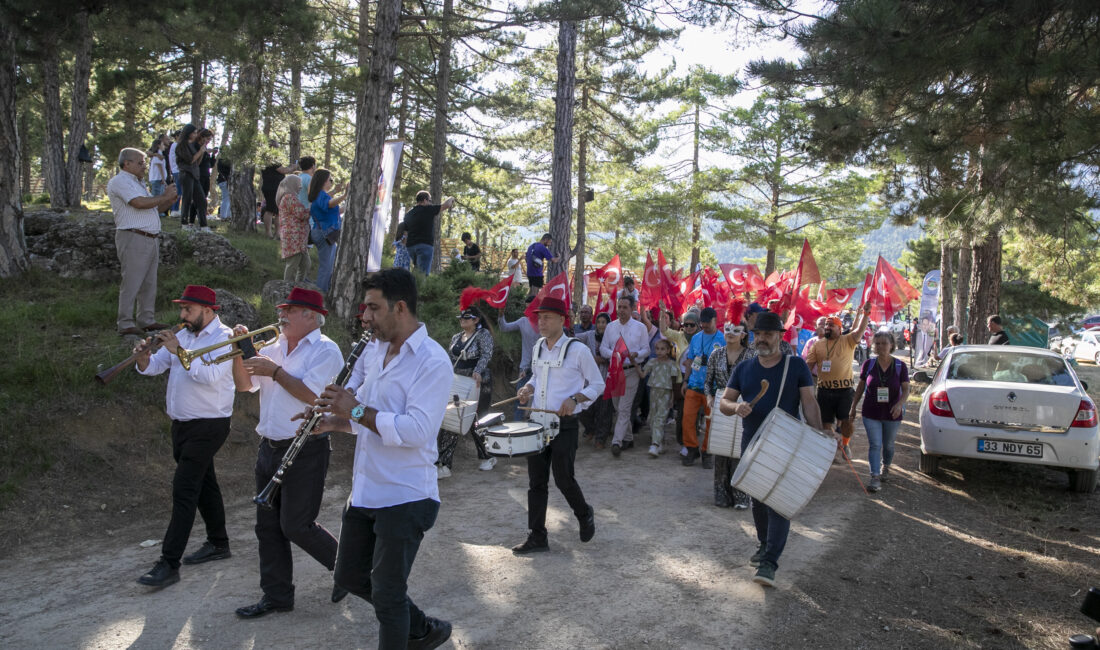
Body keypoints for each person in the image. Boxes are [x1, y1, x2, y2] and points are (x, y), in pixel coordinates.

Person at [311, 268, 454, 650]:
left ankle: (415, 631)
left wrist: (354, 411)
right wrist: (332, 423)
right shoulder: (373, 351)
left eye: (373, 308)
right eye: (365, 308)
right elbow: (366, 422)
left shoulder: (432, 360)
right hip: (366, 491)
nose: (365, 317)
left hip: (406, 495)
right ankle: (423, 630)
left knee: (389, 597)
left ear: (400, 307)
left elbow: (415, 431)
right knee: (349, 576)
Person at [230, 288, 345, 619]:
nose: (281, 315)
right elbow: (243, 386)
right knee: (267, 528)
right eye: (282, 309)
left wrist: (275, 372)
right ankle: (276, 596)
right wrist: (240, 353)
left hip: (306, 448)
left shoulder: (327, 351)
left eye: (289, 310)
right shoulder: (272, 347)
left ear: (311, 316)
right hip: (268, 446)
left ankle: (349, 571)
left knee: (296, 525)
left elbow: (313, 397)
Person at [132, 285, 236, 589]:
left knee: (185, 489)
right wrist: (142, 358)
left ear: (207, 310)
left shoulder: (225, 338)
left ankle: (168, 563)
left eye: (187, 309)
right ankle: (219, 543)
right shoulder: (186, 336)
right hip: (181, 425)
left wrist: (179, 350)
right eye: (181, 309)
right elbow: (154, 367)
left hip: (210, 424)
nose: (182, 315)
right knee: (205, 483)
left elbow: (211, 376)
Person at [719, 311, 829, 587]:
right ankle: (764, 543)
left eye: (769, 334)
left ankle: (769, 562)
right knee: (758, 499)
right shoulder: (744, 369)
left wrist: (819, 436)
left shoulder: (797, 366)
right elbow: (724, 403)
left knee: (779, 502)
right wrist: (737, 407)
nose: (763, 339)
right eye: (758, 334)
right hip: (752, 443)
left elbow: (809, 404)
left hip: (786, 443)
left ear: (781, 336)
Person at [512, 296, 603, 555]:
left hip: (565, 424)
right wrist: (528, 388)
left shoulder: (578, 350)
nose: (541, 322)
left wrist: (575, 399)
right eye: (540, 317)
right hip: (537, 423)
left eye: (547, 317)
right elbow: (537, 377)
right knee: (536, 482)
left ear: (563, 320)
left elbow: (598, 385)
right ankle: (537, 536)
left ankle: (584, 513)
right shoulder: (539, 346)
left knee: (564, 479)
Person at [107, 147, 178, 336]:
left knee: (149, 282)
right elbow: (137, 203)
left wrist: (169, 200)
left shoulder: (139, 183)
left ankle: (146, 319)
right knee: (132, 280)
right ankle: (125, 322)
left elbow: (153, 208)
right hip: (133, 236)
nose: (144, 166)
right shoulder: (120, 181)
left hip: (150, 237)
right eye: (140, 163)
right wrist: (162, 196)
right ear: (126, 163)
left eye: (144, 163)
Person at [805, 303, 872, 458]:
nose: (827, 327)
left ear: (839, 329)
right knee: (826, 424)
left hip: (845, 391)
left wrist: (866, 314)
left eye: (831, 325)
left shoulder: (848, 340)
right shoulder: (817, 345)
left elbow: (859, 330)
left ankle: (846, 444)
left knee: (847, 421)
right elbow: (808, 367)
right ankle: (829, 451)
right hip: (824, 391)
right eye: (826, 325)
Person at [438, 307, 497, 475]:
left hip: (478, 382)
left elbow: (486, 355)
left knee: (476, 418)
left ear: (476, 320)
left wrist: (478, 370)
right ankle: (444, 463)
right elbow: (450, 358)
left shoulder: (483, 335)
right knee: (452, 418)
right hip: (458, 382)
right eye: (461, 317)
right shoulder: (456, 337)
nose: (463, 320)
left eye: (467, 317)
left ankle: (488, 455)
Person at [850, 331, 911, 492]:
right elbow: (861, 387)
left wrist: (900, 404)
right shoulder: (868, 364)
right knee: (875, 444)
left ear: (891, 345)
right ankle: (874, 476)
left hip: (893, 412)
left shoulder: (900, 366)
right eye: (877, 343)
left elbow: (906, 389)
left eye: (884, 343)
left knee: (889, 445)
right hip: (871, 411)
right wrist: (853, 406)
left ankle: (887, 466)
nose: (881, 346)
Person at [705, 320, 755, 509]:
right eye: (727, 329)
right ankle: (721, 494)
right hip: (721, 404)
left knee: (740, 451)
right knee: (720, 450)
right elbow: (708, 381)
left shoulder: (752, 355)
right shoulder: (716, 354)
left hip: (744, 406)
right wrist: (709, 397)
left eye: (736, 330)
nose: (730, 333)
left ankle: (741, 497)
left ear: (743, 334)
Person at [599, 294, 650, 457]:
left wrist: (637, 354)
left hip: (631, 371)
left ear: (632, 308)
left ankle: (616, 442)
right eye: (619, 307)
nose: (621, 310)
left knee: (624, 407)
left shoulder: (640, 327)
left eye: (625, 307)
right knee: (617, 406)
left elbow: (646, 350)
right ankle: (628, 437)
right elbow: (603, 348)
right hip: (614, 371)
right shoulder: (610, 326)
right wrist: (614, 354)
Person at [682, 307, 724, 468]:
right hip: (694, 385)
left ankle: (707, 452)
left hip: (713, 389)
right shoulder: (695, 338)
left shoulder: (723, 339)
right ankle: (691, 448)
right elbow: (690, 360)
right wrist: (685, 381)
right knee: (687, 419)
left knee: (711, 423)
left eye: (708, 322)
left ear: (715, 320)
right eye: (703, 322)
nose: (705, 325)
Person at [576, 313, 614, 448]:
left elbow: (618, 354)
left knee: (604, 411)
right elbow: (573, 338)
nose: (601, 325)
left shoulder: (613, 336)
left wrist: (603, 360)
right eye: (599, 322)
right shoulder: (589, 335)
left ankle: (600, 438)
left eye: (604, 322)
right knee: (583, 408)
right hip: (589, 378)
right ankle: (590, 429)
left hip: (606, 376)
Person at [499, 296, 541, 417]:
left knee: (539, 399)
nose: (528, 311)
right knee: (520, 397)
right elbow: (504, 328)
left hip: (542, 366)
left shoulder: (544, 322)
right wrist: (501, 314)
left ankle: (535, 427)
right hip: (525, 368)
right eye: (526, 308)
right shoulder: (523, 321)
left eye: (531, 308)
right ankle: (517, 427)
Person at [308, 168, 347, 293]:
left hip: (327, 234)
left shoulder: (321, 195)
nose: (332, 182)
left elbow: (336, 210)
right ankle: (320, 294)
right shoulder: (321, 194)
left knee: (329, 265)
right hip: (324, 233)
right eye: (331, 179)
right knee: (326, 266)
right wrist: (345, 195)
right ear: (324, 181)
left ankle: (324, 290)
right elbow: (329, 204)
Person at [642, 339, 681, 457]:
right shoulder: (652, 362)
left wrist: (672, 399)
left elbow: (674, 383)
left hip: (666, 393)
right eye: (657, 349)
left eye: (662, 349)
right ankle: (659, 443)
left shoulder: (672, 364)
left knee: (660, 418)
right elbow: (643, 374)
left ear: (668, 350)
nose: (659, 351)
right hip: (654, 391)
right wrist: (633, 362)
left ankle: (654, 444)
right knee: (653, 418)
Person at [403, 190, 455, 274]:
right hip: (424, 246)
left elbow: (405, 232)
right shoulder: (427, 209)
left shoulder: (408, 214)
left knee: (416, 271)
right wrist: (451, 198)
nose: (431, 203)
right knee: (423, 274)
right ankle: (421, 287)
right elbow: (447, 205)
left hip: (411, 247)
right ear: (424, 200)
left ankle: (413, 286)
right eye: (430, 200)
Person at [175, 125, 213, 231]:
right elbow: (190, 160)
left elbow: (197, 162)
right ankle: (184, 224)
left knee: (201, 200)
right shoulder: (182, 145)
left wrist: (202, 152)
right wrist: (200, 151)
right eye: (194, 132)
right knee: (187, 199)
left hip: (194, 174)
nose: (196, 135)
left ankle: (203, 225)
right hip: (186, 174)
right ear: (189, 133)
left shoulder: (192, 145)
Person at [276, 175, 311, 282]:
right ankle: (286, 289)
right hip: (293, 237)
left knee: (305, 264)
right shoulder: (289, 197)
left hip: (299, 239)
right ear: (292, 184)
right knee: (292, 264)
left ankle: (297, 287)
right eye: (298, 184)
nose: (300, 187)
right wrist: (312, 208)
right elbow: (301, 214)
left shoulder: (290, 197)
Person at [261, 155, 299, 239]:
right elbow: (284, 170)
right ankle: (268, 233)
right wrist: (293, 167)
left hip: (277, 188)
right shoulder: (271, 159)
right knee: (270, 209)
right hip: (272, 188)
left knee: (278, 211)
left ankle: (277, 233)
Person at [146, 136, 168, 216]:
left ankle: (158, 211)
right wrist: (163, 178)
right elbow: (160, 167)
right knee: (156, 196)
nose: (164, 146)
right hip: (157, 178)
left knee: (159, 195)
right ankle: (154, 212)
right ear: (158, 145)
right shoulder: (157, 155)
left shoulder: (159, 154)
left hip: (158, 178)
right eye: (162, 144)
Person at [216, 155, 231, 219]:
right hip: (224, 181)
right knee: (226, 199)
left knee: (229, 199)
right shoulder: (222, 161)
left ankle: (228, 215)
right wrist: (227, 180)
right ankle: (223, 216)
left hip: (225, 181)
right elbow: (222, 172)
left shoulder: (222, 161)